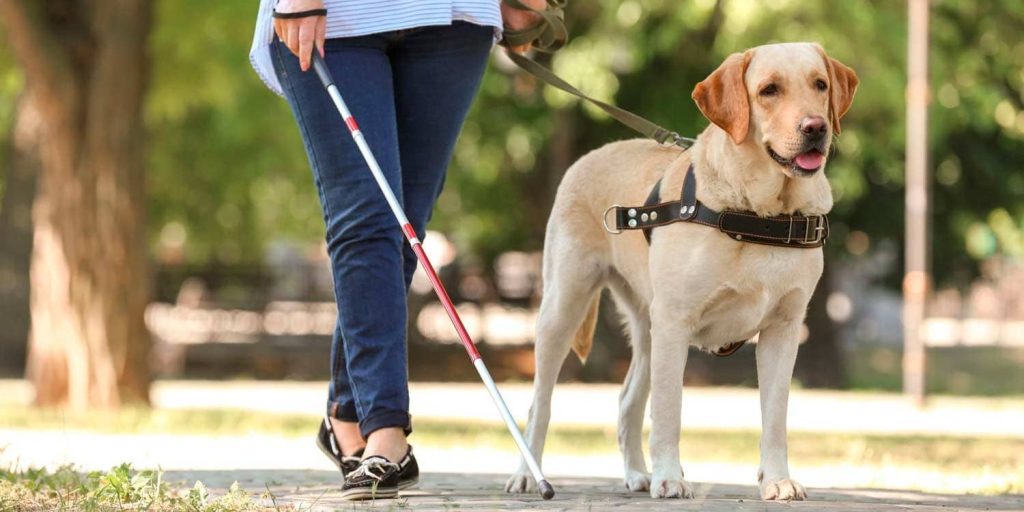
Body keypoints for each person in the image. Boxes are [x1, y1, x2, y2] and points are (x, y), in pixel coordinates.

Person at [249, 0, 546, 501]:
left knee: (402, 229)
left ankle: (348, 413)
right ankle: (387, 435)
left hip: (455, 20)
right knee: (367, 220)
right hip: (338, 17)